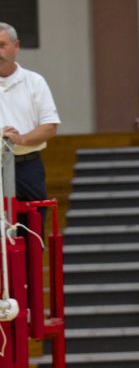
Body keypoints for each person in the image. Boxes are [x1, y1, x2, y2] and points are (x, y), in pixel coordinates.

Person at [0, 22, 60, 227]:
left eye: (2, 45)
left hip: (27, 165)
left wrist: (21, 139)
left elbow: (50, 126)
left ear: (16, 46)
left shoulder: (34, 82)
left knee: (32, 227)